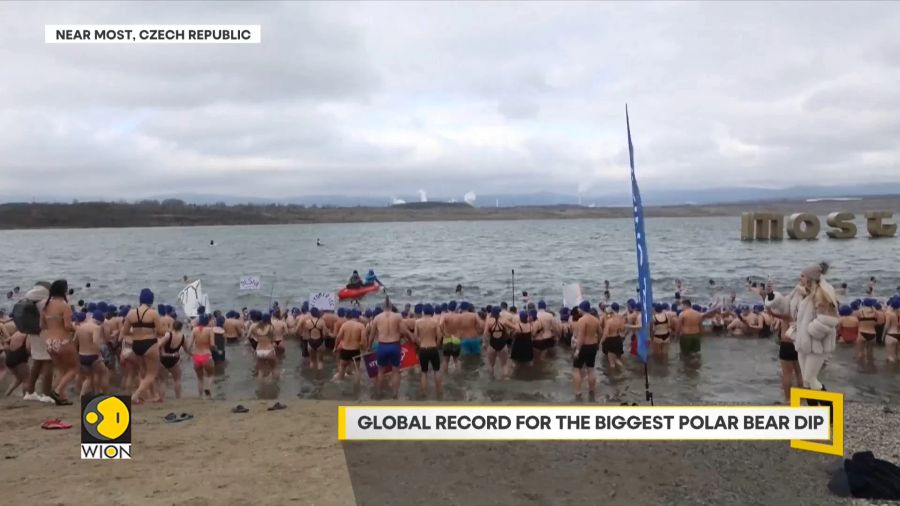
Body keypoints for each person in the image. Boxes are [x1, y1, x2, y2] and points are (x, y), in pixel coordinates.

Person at [791, 262, 839, 395]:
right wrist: (799, 326)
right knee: (806, 383)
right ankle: (814, 412)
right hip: (805, 343)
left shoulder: (821, 294)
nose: (800, 278)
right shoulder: (809, 292)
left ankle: (829, 408)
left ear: (810, 278)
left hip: (816, 344)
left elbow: (829, 320)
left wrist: (810, 329)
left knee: (810, 378)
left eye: (803, 276)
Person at [121, 289, 162, 404]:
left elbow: (124, 332)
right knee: (152, 374)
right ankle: (136, 395)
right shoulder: (153, 313)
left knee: (143, 371)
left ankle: (151, 396)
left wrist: (135, 334)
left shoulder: (131, 313)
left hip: (136, 345)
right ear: (151, 300)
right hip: (150, 344)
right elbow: (161, 331)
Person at [42, 280, 78, 405]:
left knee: (61, 370)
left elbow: (42, 325)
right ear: (63, 290)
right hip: (62, 341)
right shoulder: (64, 305)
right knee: (74, 368)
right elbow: (68, 326)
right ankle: (57, 390)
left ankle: (61, 397)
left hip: (49, 342)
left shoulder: (46, 305)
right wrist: (76, 328)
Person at [21, 283, 54, 403]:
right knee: (48, 361)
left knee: (37, 361)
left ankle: (30, 392)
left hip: (32, 333)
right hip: (44, 333)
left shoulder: (29, 300)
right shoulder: (45, 303)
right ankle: (46, 394)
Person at [371, 297, 403, 398]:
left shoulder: (377, 318)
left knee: (380, 371)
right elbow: (403, 331)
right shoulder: (398, 316)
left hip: (382, 346)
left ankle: (379, 393)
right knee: (395, 371)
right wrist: (412, 339)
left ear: (383, 307)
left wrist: (368, 346)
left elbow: (372, 335)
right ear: (391, 306)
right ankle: (395, 394)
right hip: (394, 345)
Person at [572, 300, 601, 399]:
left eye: (579, 308)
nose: (578, 310)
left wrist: (577, 350)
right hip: (593, 345)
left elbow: (581, 337)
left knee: (576, 369)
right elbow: (600, 333)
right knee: (591, 369)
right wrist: (598, 344)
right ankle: (591, 390)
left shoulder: (582, 320)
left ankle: (578, 392)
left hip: (584, 346)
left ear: (582, 309)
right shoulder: (596, 320)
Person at [75, 310, 108, 396]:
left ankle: (83, 393)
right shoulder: (96, 328)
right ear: (100, 321)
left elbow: (74, 341)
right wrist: (100, 352)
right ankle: (102, 392)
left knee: (89, 377)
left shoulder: (80, 327)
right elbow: (95, 341)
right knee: (104, 372)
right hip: (93, 355)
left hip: (81, 355)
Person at [414, 304, 443, 396]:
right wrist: (437, 345)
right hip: (433, 347)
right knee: (437, 371)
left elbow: (415, 337)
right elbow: (439, 336)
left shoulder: (417, 322)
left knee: (424, 372)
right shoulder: (435, 322)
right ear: (432, 312)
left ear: (423, 312)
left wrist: (420, 345)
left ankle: (423, 393)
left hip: (423, 348)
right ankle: (439, 392)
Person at [334, 309, 364, 384]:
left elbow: (338, 337)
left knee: (342, 368)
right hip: (355, 350)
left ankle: (340, 384)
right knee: (356, 370)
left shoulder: (345, 324)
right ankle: (356, 389)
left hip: (345, 350)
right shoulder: (361, 326)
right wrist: (364, 348)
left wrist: (335, 347)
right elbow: (363, 341)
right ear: (358, 317)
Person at [158, 320, 185, 400]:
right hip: (175, 359)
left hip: (163, 359)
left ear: (172, 326)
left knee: (162, 381)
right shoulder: (182, 337)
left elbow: (159, 345)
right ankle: (178, 398)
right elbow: (187, 349)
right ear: (181, 328)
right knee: (177, 379)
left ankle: (162, 398)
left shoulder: (168, 335)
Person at [190, 313, 216, 396]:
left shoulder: (194, 330)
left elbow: (189, 344)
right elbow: (212, 345)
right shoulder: (210, 330)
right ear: (208, 321)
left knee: (199, 378)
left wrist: (190, 353)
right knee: (211, 375)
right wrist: (214, 349)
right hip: (206, 355)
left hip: (196, 356)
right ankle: (208, 387)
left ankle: (200, 396)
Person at [483, 306, 509, 378]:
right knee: (504, 365)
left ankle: (492, 379)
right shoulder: (503, 321)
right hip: (502, 344)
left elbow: (485, 334)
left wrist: (484, 343)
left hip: (492, 344)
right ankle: (505, 379)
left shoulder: (489, 321)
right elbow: (507, 333)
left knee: (491, 365)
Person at [856, 299, 878, 364]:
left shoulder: (860, 311)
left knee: (860, 352)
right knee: (870, 353)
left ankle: (861, 367)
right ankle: (870, 366)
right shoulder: (875, 312)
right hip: (872, 333)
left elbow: (858, 321)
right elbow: (877, 323)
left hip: (862, 332)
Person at [885, 298, 900, 364]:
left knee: (890, 357)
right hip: (898, 333)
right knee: (898, 356)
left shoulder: (890, 314)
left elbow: (887, 326)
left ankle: (891, 372)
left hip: (891, 334)